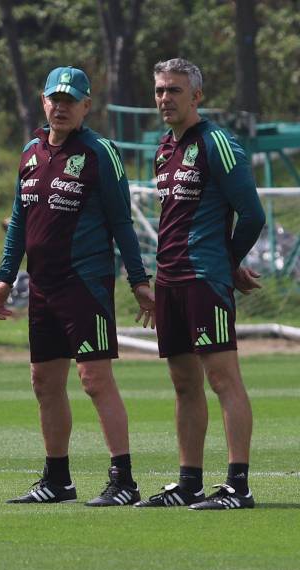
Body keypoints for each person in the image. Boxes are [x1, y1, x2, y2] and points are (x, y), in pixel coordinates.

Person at [0, 66, 155, 506]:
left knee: (94, 379)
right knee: (44, 380)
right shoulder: (30, 152)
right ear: (43, 101)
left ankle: (124, 481)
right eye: (54, 99)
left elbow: (122, 221)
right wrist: (5, 277)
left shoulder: (100, 152)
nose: (60, 107)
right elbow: (19, 220)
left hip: (86, 284)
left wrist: (139, 281)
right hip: (42, 286)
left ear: (86, 106)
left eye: (70, 100)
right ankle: (57, 479)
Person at [134, 58, 266, 510]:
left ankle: (238, 485)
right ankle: (189, 481)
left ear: (197, 96)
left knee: (223, 379)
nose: (164, 98)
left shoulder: (218, 144)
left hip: (204, 280)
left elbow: (252, 215)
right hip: (169, 281)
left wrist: (227, 264)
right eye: (159, 91)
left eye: (173, 90)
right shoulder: (164, 149)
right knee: (183, 384)